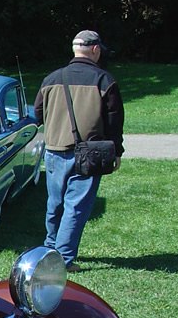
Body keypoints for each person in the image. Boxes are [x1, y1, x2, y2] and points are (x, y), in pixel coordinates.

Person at [34, 29, 124, 271]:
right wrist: (117, 151)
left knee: (55, 203)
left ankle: (50, 249)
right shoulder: (104, 80)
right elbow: (114, 120)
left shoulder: (52, 79)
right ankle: (62, 260)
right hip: (89, 153)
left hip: (53, 150)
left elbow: (38, 113)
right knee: (76, 206)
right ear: (95, 49)